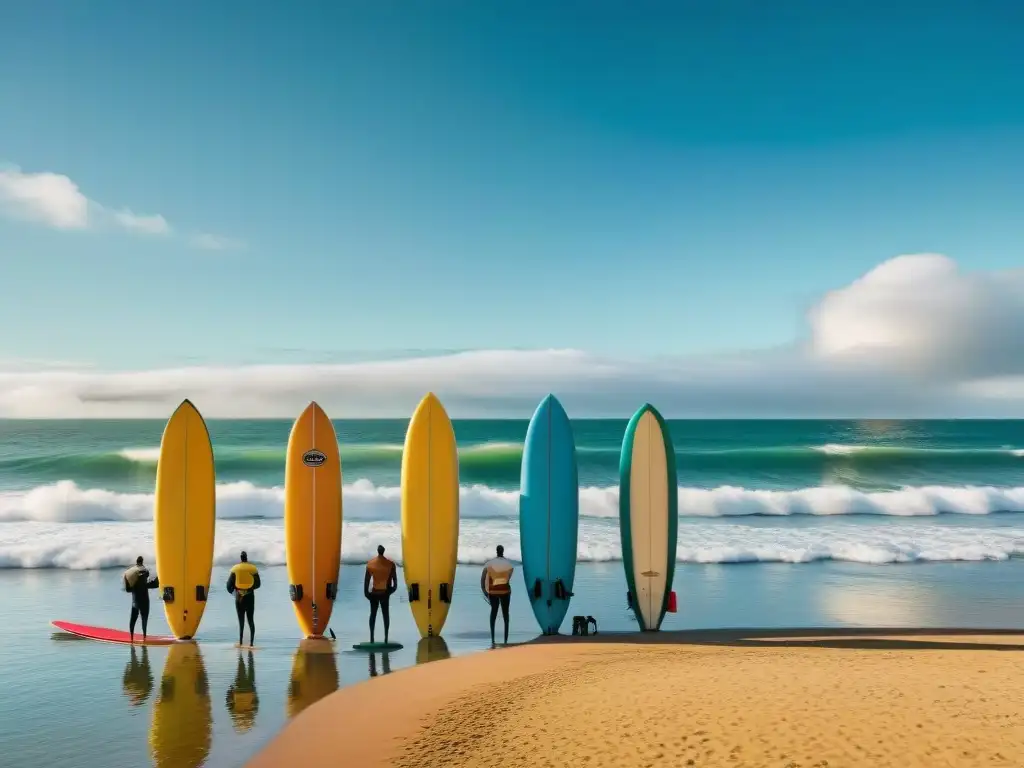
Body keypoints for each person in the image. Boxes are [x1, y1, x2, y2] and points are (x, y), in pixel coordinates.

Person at [481, 545, 515, 646]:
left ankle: (492, 639)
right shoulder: (509, 564)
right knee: (506, 615)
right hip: (505, 591)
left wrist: (485, 592)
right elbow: (508, 578)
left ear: (496, 551)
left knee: (493, 613)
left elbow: (482, 579)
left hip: (493, 592)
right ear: (503, 551)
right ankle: (505, 640)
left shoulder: (489, 564)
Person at [363, 545, 397, 644]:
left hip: (374, 593)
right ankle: (386, 638)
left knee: (373, 615)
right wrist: (390, 591)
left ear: (378, 551)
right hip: (384, 593)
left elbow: (366, 580)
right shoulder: (390, 564)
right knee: (385, 615)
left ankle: (371, 638)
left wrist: (366, 593)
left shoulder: (370, 564)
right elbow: (395, 583)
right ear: (383, 551)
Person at [227, 551, 261, 647]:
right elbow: (258, 584)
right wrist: (250, 588)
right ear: (247, 558)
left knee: (241, 621)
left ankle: (241, 642)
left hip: (239, 598)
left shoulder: (235, 569)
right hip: (250, 597)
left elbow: (228, 586)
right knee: (250, 620)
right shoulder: (252, 568)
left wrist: (235, 593)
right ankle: (251, 643)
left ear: (240, 558)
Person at [123, 555, 159, 644]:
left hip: (135, 603)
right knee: (144, 620)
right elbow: (155, 584)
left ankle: (131, 637)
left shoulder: (133, 582)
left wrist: (126, 581)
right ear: (142, 562)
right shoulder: (145, 579)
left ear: (136, 562)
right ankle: (144, 637)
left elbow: (128, 590)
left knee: (133, 620)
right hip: (145, 602)